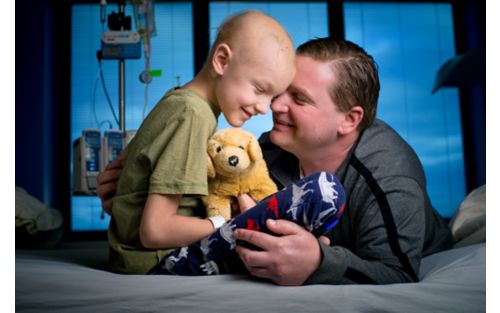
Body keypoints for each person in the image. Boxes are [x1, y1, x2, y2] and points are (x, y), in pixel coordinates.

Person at [98, 37, 453, 285]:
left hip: (423, 241)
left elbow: (399, 272)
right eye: (280, 90)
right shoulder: (268, 152)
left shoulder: (387, 173)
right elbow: (207, 195)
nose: (275, 105)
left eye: (298, 98)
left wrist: (318, 263)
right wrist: (138, 189)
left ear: (349, 119)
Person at [105, 10, 296, 274]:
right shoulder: (193, 114)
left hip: (136, 253)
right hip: (153, 259)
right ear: (221, 60)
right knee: (314, 199)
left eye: (272, 97)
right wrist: (227, 222)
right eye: (260, 90)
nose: (265, 108)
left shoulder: (180, 101)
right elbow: (155, 231)